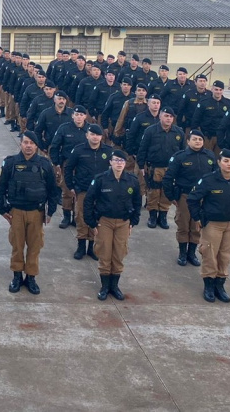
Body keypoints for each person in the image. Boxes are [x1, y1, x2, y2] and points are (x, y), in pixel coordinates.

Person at [0, 131, 59, 295]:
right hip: (16, 212)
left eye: (31, 143)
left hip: (36, 213)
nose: (28, 146)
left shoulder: (45, 165)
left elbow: (53, 190)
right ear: (21, 144)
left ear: (36, 145)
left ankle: (30, 277)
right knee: (17, 245)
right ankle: (17, 276)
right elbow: (1, 188)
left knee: (34, 247)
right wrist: (2, 209)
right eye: (25, 142)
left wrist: (50, 212)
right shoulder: (11, 163)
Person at [188, 149, 230, 303]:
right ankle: (209, 285)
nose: (229, 164)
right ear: (219, 162)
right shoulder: (209, 180)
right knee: (209, 253)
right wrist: (198, 218)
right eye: (225, 161)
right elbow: (192, 199)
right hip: (213, 224)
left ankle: (220, 284)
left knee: (226, 254)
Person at [84, 149, 142, 300]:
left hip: (123, 222)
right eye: (115, 160)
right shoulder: (100, 179)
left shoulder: (132, 180)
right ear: (110, 162)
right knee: (104, 252)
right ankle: (104, 287)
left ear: (125, 163)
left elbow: (137, 202)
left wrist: (133, 221)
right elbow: (89, 200)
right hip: (105, 222)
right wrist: (91, 222)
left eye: (121, 161)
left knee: (119, 253)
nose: (119, 163)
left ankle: (114, 286)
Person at [162, 130, 217, 266]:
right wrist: (171, 196)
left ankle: (191, 253)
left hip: (203, 198)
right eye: (194, 139)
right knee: (183, 225)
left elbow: (215, 177)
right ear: (188, 141)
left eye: (200, 139)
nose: (198, 141)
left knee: (196, 226)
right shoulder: (180, 157)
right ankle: (182, 253)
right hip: (185, 196)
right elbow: (168, 178)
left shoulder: (209, 156)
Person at [65, 124, 114, 261]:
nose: (95, 137)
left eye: (98, 135)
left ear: (101, 137)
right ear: (87, 135)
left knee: (96, 218)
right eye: (92, 134)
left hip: (101, 192)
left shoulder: (108, 151)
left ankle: (92, 247)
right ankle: (81, 246)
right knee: (81, 218)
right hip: (83, 190)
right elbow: (69, 168)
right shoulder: (79, 150)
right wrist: (71, 186)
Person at [137, 106, 186, 229]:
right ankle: (152, 216)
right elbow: (142, 148)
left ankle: (163, 216)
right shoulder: (150, 131)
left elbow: (183, 152)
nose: (168, 118)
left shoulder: (179, 132)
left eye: (171, 116)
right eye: (166, 116)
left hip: (171, 169)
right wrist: (141, 165)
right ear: (160, 116)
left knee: (166, 192)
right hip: (154, 168)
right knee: (153, 192)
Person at [190, 80, 230, 152]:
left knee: (219, 159)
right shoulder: (204, 102)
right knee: (206, 158)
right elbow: (196, 120)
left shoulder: (228, 104)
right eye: (216, 89)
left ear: (223, 91)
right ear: (212, 89)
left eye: (220, 90)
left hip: (221, 137)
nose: (218, 92)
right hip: (207, 136)